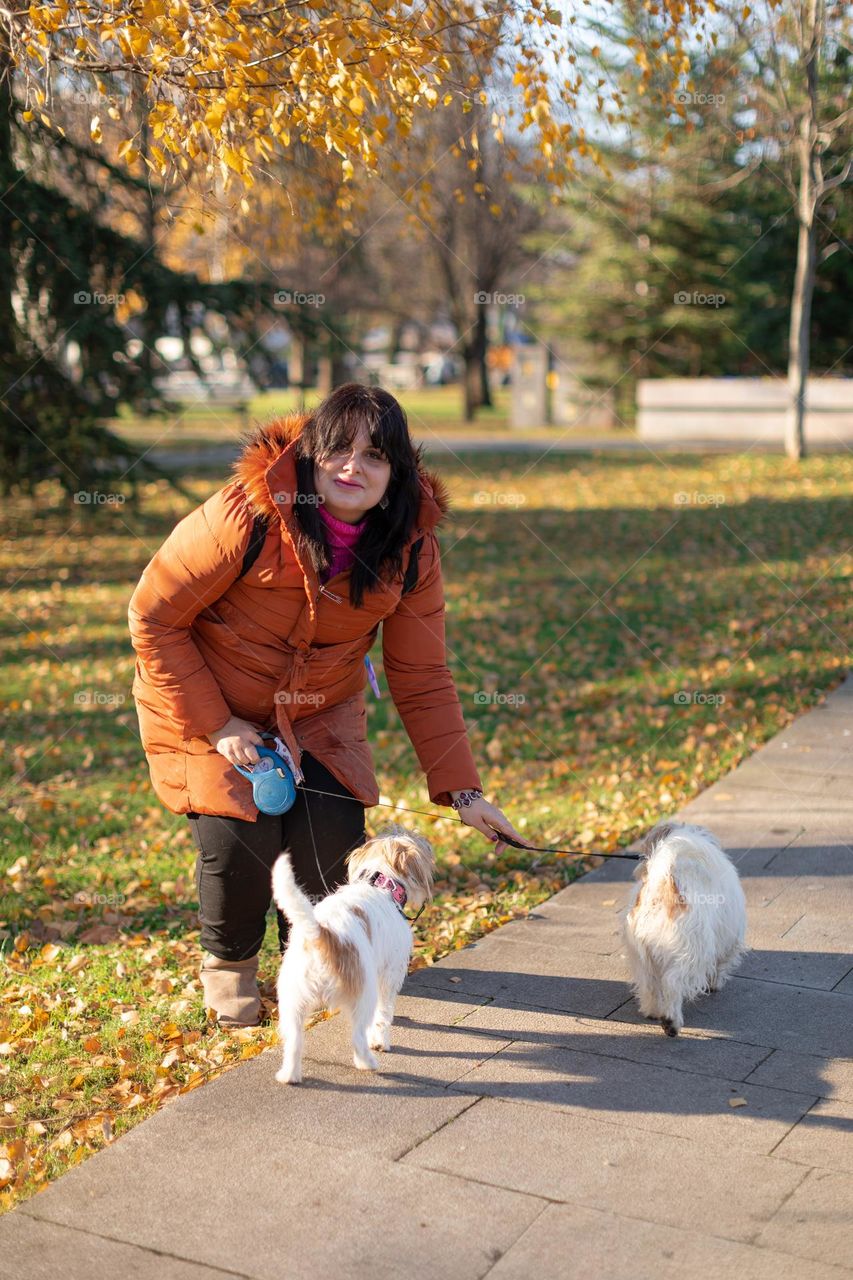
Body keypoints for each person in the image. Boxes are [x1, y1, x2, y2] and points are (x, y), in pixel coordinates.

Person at [128, 383, 527, 1025]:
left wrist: (463, 792)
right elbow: (151, 616)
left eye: (374, 456)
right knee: (240, 843)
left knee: (331, 843)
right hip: (208, 698)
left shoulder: (411, 549)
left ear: (396, 473)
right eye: (338, 449)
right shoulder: (247, 515)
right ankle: (230, 968)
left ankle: (311, 965)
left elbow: (421, 673)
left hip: (320, 711)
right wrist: (219, 723)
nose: (353, 467)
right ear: (311, 457)